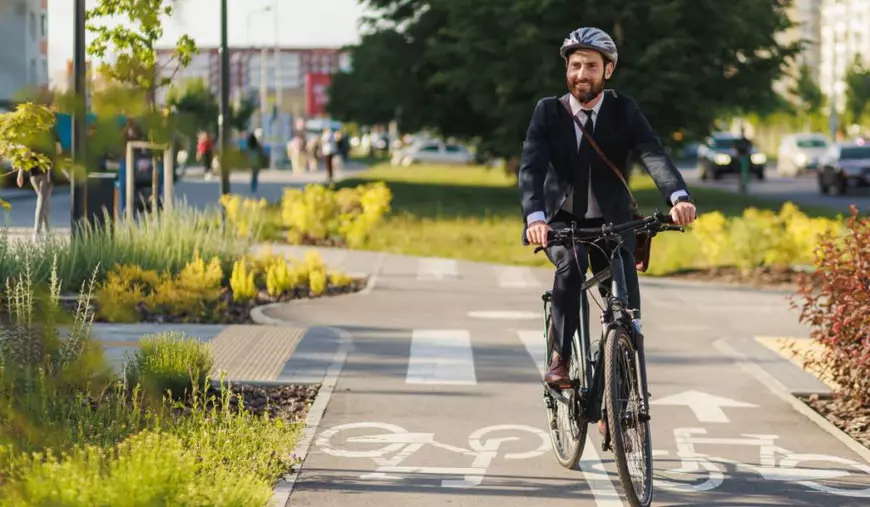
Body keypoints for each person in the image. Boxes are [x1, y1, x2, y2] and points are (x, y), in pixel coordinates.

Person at [519, 27, 697, 389]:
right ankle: (561, 359)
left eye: (590, 66)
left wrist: (678, 196)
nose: (581, 74)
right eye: (574, 66)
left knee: (627, 311)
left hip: (613, 224)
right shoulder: (548, 112)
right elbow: (531, 168)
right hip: (562, 223)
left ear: (608, 70)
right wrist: (535, 217)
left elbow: (653, 154)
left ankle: (616, 394)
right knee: (570, 267)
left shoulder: (623, 110)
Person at [17, 127, 62, 241]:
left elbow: (25, 155)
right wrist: (20, 174)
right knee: (43, 202)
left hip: (39, 174)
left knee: (42, 200)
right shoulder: (51, 131)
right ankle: (47, 232)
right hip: (44, 172)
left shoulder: (31, 132)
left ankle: (36, 232)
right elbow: (59, 151)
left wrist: (20, 174)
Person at [247, 129, 264, 194]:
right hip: (256, 162)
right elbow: (261, 154)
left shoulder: (250, 147)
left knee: (253, 174)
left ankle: (253, 186)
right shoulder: (257, 146)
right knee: (255, 175)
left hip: (251, 162)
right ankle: (254, 186)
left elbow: (247, 154)